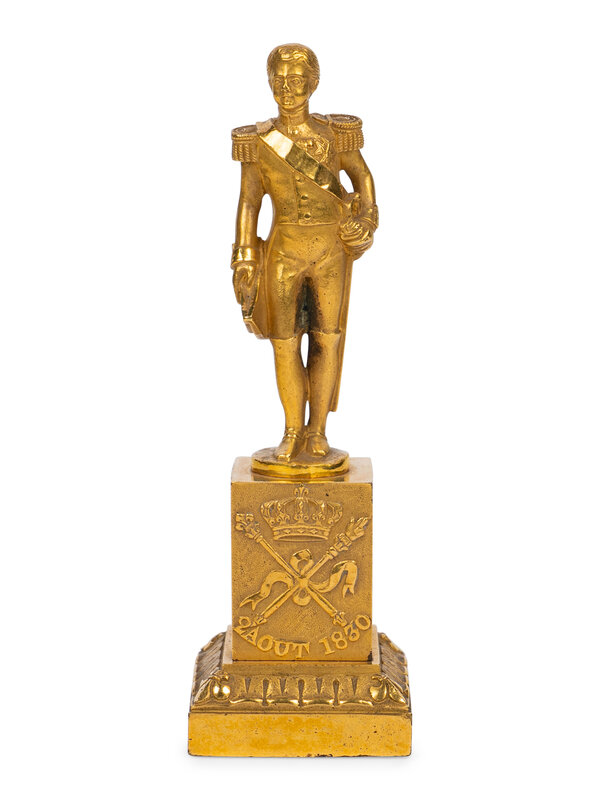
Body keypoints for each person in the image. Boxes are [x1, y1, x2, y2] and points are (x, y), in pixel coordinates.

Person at [231, 43, 378, 466]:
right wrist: (245, 254)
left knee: (327, 339)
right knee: (284, 343)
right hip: (284, 250)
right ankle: (292, 428)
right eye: (279, 80)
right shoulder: (258, 141)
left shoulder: (335, 134)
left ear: (313, 84)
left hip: (330, 250)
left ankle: (318, 431)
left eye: (296, 80)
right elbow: (249, 201)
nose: (287, 89)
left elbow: (362, 177)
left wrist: (366, 220)